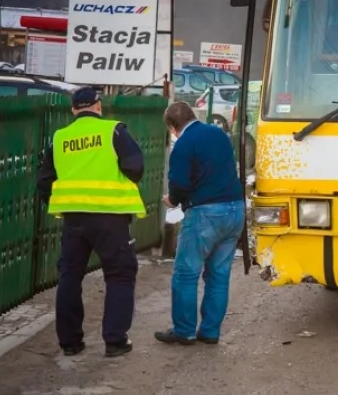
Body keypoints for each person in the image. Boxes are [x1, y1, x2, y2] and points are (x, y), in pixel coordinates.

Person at [37, 87, 146, 358]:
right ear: (99, 107)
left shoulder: (59, 138)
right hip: (110, 217)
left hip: (74, 219)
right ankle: (115, 341)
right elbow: (135, 167)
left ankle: (70, 343)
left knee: (70, 276)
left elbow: (44, 182)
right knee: (119, 274)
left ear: (74, 110)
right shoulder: (114, 131)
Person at [154, 101, 245, 346]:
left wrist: (171, 200)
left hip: (206, 213)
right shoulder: (218, 134)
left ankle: (184, 331)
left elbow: (180, 183)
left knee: (186, 273)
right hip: (235, 209)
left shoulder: (183, 144)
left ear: (173, 127)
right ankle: (210, 331)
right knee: (218, 274)